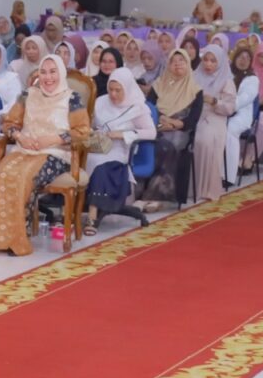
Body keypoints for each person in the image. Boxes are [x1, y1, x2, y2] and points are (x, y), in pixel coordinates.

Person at [0, 55, 88, 255]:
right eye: (43, 72)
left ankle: (17, 239)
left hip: (55, 154)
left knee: (24, 177)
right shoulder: (28, 94)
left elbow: (82, 131)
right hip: (24, 149)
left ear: (61, 73)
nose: (48, 77)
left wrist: (54, 139)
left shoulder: (72, 98)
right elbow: (9, 123)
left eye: (53, 72)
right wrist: (20, 137)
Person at [86, 67, 156, 235]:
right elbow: (89, 124)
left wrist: (122, 135)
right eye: (111, 89)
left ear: (127, 88)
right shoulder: (100, 102)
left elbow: (151, 133)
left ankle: (92, 216)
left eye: (118, 90)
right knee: (77, 159)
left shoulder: (137, 107)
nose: (113, 94)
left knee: (99, 165)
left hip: (118, 150)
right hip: (96, 146)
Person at [138, 49, 199, 209]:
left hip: (181, 130)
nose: (177, 64)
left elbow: (193, 120)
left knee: (169, 145)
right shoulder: (159, 85)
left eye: (181, 60)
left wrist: (173, 123)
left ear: (188, 64)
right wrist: (160, 121)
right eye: (173, 61)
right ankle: (141, 193)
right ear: (168, 65)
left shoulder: (195, 90)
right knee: (152, 143)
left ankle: (156, 196)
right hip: (159, 126)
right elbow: (148, 109)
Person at [189, 43, 238, 203]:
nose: (208, 64)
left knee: (204, 139)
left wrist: (214, 101)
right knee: (183, 137)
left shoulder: (226, 80)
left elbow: (230, 108)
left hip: (216, 117)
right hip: (195, 115)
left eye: (213, 61)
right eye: (206, 60)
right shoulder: (195, 75)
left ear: (220, 62)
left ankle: (205, 188)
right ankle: (188, 187)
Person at [226, 43, 259, 178]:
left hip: (241, 116)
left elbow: (245, 98)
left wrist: (227, 107)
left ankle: (229, 174)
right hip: (221, 111)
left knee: (229, 129)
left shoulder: (252, 79)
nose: (243, 60)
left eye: (247, 58)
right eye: (240, 57)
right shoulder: (226, 74)